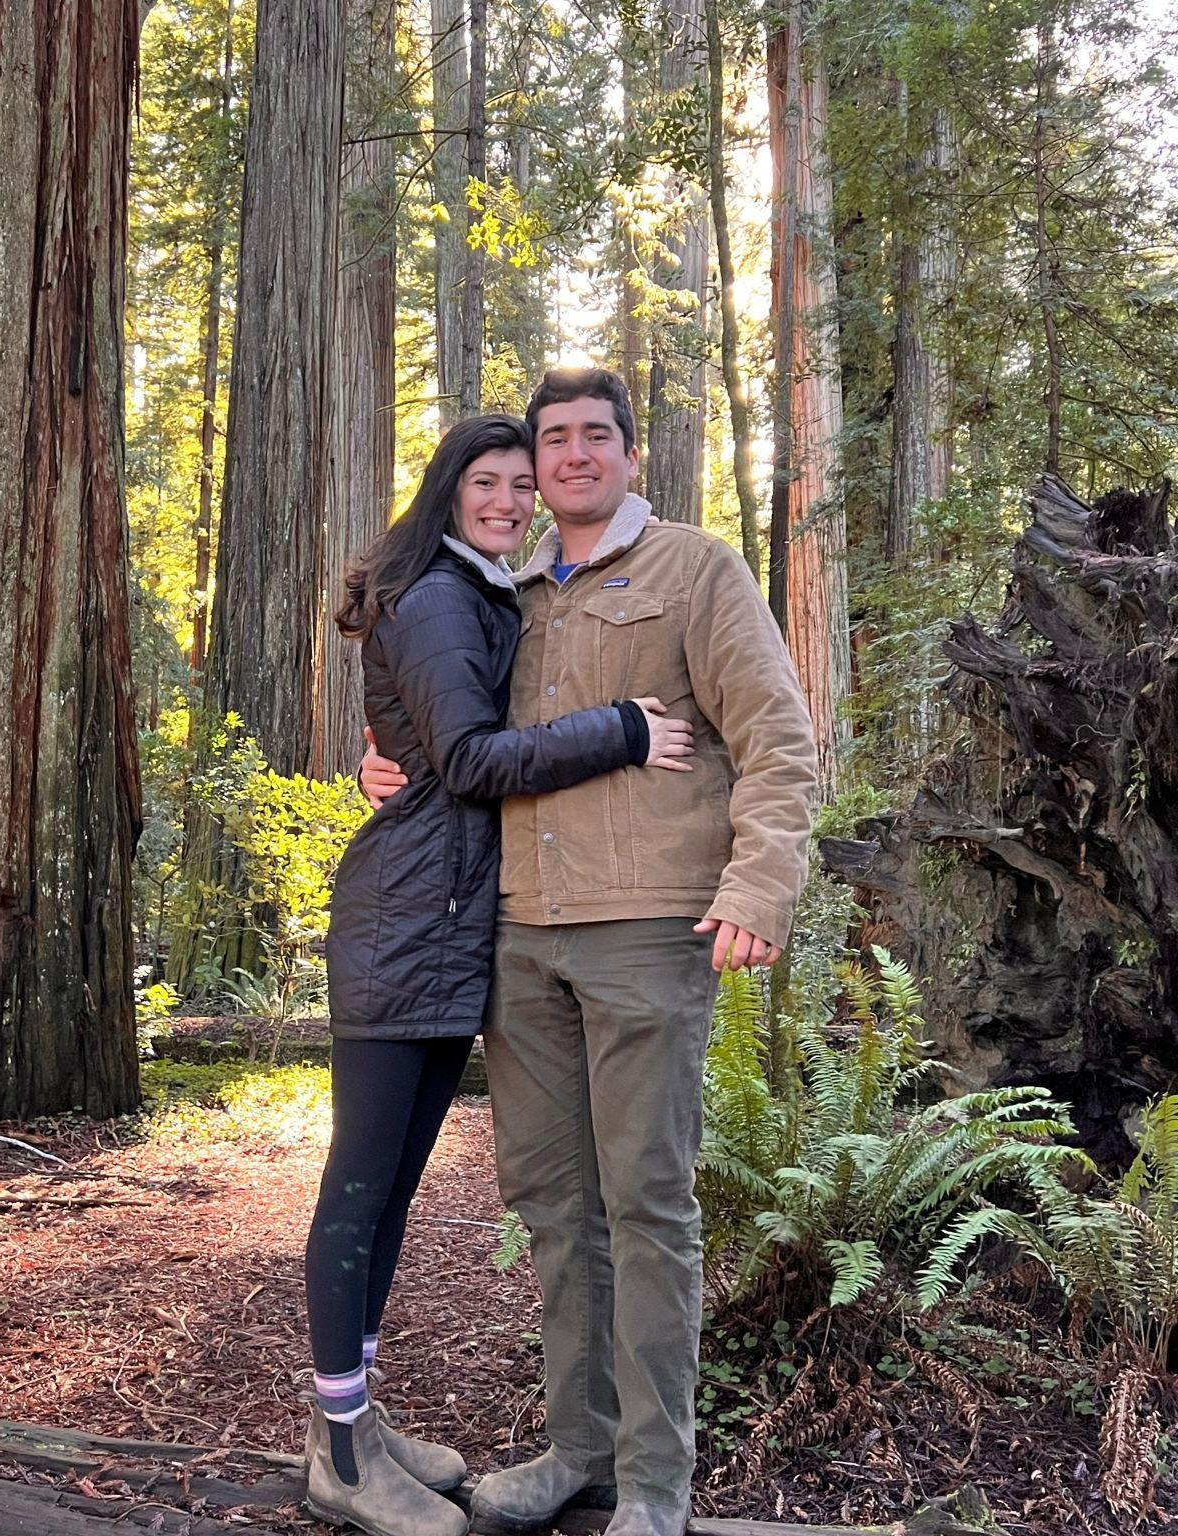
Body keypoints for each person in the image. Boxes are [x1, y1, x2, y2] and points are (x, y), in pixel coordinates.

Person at [360, 369, 818, 1536]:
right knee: (556, 1206)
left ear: (628, 453)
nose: (570, 455)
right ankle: (582, 1453)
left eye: (592, 436)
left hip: (649, 928)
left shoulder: (694, 569)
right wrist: (386, 762)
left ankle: (656, 1484)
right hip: (520, 933)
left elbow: (777, 734)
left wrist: (760, 885)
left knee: (648, 1203)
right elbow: (463, 736)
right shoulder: (505, 588)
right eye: (551, 438)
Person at [304, 411, 696, 1536]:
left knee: (389, 1192)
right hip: (402, 928)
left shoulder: (487, 593)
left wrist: (392, 752)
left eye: (522, 485)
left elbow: (438, 739)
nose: (510, 500)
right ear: (449, 488)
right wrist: (623, 729)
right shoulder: (440, 594)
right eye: (487, 481)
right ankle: (339, 1452)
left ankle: (354, 1422)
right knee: (359, 1190)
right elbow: (473, 761)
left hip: (445, 930)